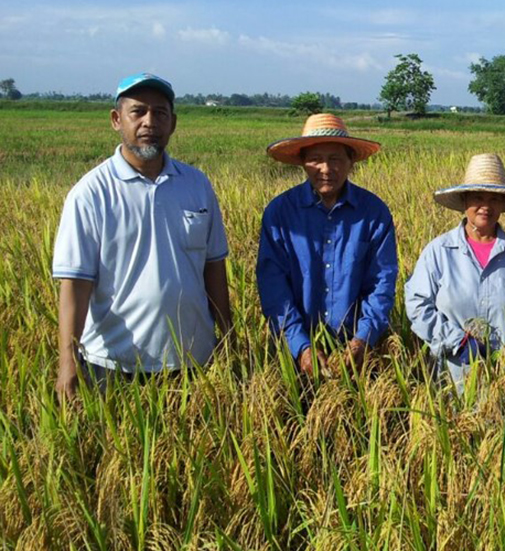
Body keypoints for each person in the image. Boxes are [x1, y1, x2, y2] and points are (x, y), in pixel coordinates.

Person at [52, 73, 232, 400]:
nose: (150, 121)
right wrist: (68, 361)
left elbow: (213, 267)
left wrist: (229, 337)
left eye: (160, 113)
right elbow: (75, 284)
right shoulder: (91, 194)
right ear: (116, 119)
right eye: (138, 112)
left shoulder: (196, 185)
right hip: (113, 365)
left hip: (193, 360)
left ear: (173, 123)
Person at [257, 114, 397, 375]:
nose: (325, 168)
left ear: (350, 161)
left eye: (335, 159)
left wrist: (363, 339)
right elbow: (273, 287)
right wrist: (300, 345)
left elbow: (382, 282)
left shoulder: (374, 213)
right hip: (294, 352)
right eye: (315, 159)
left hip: (359, 353)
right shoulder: (280, 214)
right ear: (302, 162)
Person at [405, 153, 505, 389]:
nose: (486, 206)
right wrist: (457, 342)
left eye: (494, 199)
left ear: (503, 204)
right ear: (464, 202)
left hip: (504, 379)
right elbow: (417, 305)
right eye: (478, 197)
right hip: (450, 377)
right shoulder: (439, 252)